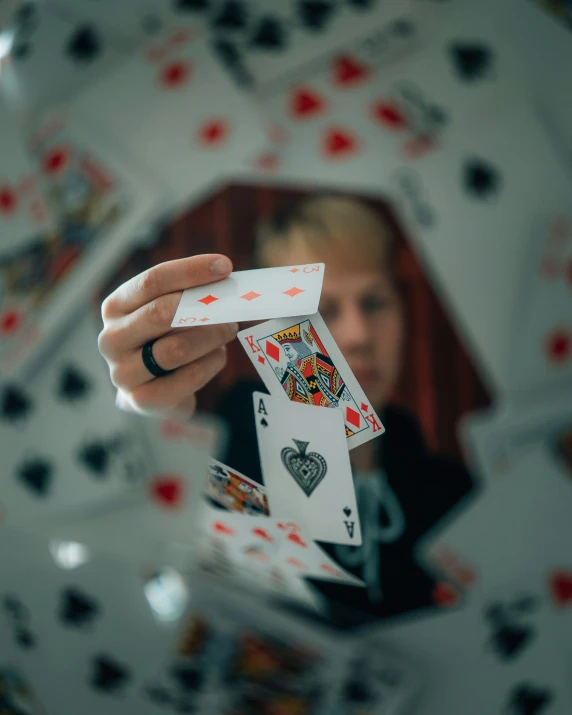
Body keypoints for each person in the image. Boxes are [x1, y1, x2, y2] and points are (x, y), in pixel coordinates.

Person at [98, 193, 473, 627]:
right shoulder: (212, 474)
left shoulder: (454, 495)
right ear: (272, 329)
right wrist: (143, 429)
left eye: (373, 303)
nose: (358, 335)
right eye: (324, 310)